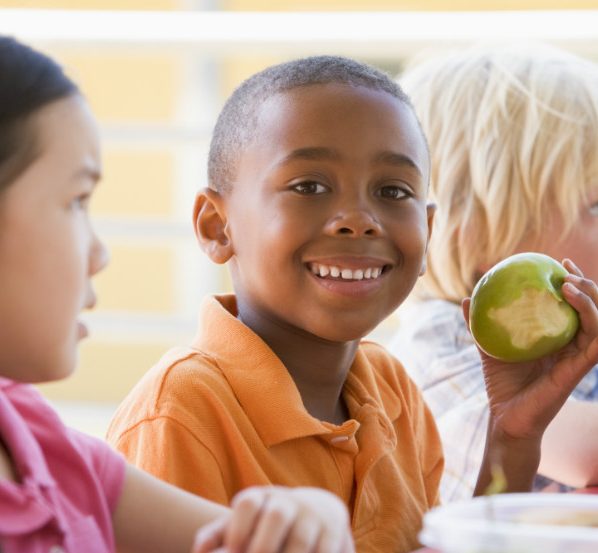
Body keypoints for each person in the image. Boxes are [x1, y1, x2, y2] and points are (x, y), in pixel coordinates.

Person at [107, 54, 598, 552]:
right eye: (309, 186)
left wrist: (513, 435)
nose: (358, 219)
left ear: (427, 234)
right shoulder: (182, 412)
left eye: (392, 190)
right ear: (217, 227)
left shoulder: (393, 392)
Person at [0, 36, 355, 553]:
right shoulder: (175, 407)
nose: (100, 254)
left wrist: (309, 518)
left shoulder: (33, 438)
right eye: (76, 200)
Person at [388, 43, 598, 502]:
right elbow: (583, 451)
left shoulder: (573, 327)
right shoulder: (443, 344)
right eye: (595, 206)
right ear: (480, 238)